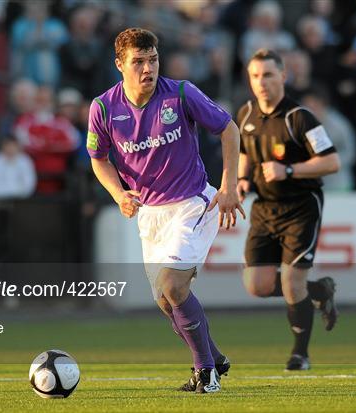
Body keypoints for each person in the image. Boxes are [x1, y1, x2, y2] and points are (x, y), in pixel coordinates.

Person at [87, 28, 244, 393]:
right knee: (164, 301)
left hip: (192, 204)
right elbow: (98, 159)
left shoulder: (182, 94)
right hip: (149, 214)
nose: (147, 69)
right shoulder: (103, 108)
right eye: (138, 62)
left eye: (153, 60)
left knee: (174, 287)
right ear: (120, 65)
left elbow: (229, 130)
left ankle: (206, 373)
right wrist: (118, 193)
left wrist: (229, 186)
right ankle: (215, 356)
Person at [236, 49, 341, 371]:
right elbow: (245, 151)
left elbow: (332, 162)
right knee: (257, 285)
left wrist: (290, 170)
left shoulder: (300, 117)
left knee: (292, 282)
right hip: (265, 207)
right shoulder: (246, 113)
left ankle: (300, 354)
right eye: (255, 76)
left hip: (301, 207)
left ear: (283, 76)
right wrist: (242, 179)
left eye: (268, 75)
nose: (261, 82)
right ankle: (320, 290)